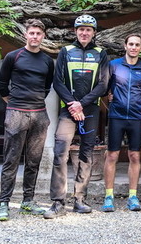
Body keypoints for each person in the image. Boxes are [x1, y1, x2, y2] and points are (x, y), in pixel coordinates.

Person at [44, 15, 109, 219]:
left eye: (88, 30)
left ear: (94, 33)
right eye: (81, 29)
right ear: (75, 31)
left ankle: (80, 199)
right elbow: (58, 81)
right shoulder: (66, 51)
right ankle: (58, 201)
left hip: (89, 111)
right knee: (60, 153)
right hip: (68, 111)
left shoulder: (101, 53)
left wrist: (82, 103)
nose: (84, 33)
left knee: (86, 155)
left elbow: (103, 84)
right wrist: (73, 104)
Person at [0, 19, 54, 222]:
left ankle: (28, 201)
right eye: (32, 33)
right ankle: (3, 203)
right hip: (16, 114)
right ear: (25, 35)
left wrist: (34, 103)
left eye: (38, 33)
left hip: (39, 114)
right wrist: (14, 104)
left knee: (33, 161)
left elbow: (47, 87)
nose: (35, 36)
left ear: (43, 36)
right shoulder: (13, 56)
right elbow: (2, 85)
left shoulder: (47, 61)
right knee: (11, 159)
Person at [102, 33, 141, 212]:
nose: (133, 47)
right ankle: (109, 196)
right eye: (130, 44)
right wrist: (109, 97)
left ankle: (133, 196)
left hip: (135, 118)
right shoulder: (113, 65)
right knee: (112, 156)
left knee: (135, 156)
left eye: (137, 44)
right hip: (116, 116)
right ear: (125, 46)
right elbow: (105, 87)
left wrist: (140, 108)